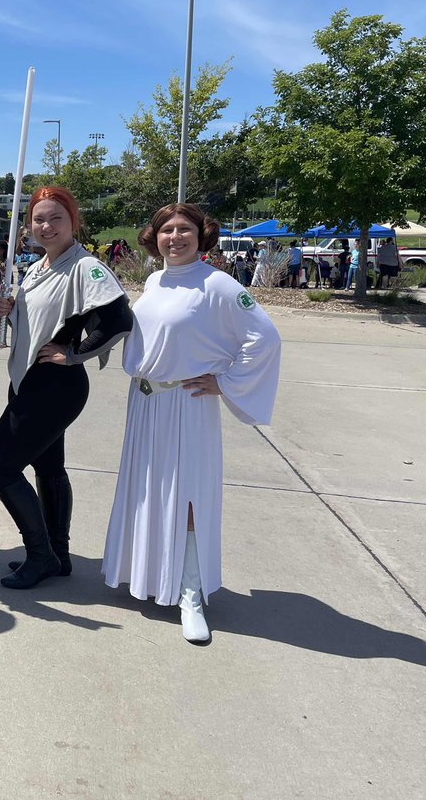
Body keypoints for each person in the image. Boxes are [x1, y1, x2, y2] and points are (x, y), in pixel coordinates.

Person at [102, 203, 281, 644]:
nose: (175, 237)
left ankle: (190, 594)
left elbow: (265, 337)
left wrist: (227, 381)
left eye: (185, 229)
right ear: (154, 236)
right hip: (144, 405)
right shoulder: (155, 280)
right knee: (148, 494)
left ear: (203, 236)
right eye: (167, 230)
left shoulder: (218, 284)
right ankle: (148, 577)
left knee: (187, 500)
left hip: (187, 404)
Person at [0, 186, 132, 588]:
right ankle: (58, 554)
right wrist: (10, 310)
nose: (46, 226)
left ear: (73, 222)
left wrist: (74, 354)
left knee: (0, 466)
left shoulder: (85, 267)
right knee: (47, 467)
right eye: (39, 219)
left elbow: (119, 320)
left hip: (54, 385)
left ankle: (40, 556)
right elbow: (39, 322)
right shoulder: (38, 267)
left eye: (56, 218)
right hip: (27, 380)